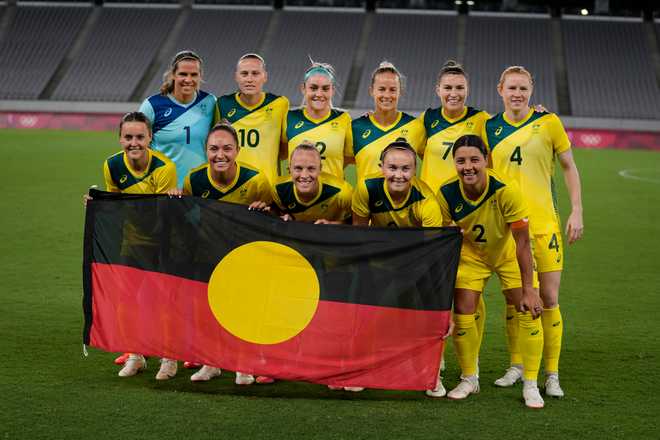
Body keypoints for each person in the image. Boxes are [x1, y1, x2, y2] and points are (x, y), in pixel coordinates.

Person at [484, 66, 584, 397]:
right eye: (511, 87)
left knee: (550, 299)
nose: (517, 93)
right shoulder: (489, 128)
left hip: (544, 226)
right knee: (516, 301)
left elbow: (569, 166)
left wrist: (577, 210)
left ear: (532, 90)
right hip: (507, 229)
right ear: (500, 89)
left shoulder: (549, 122)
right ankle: (517, 366)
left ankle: (551, 374)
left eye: (523, 88)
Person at [437, 134, 545, 408]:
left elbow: (522, 242)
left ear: (486, 160)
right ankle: (469, 378)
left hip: (508, 252)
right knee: (463, 310)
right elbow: (444, 236)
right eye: (461, 161)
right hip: (472, 255)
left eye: (474, 159)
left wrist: (530, 289)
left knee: (527, 308)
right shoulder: (447, 193)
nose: (468, 166)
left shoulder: (506, 190)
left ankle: (531, 384)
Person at [169, 120, 272, 385]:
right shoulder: (195, 178)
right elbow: (186, 216)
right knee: (208, 310)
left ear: (237, 150)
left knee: (244, 310)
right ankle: (211, 363)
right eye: (214, 148)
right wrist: (174, 201)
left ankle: (244, 364)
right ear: (206, 150)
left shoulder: (256, 180)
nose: (220, 155)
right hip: (209, 254)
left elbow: (273, 220)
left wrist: (266, 209)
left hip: (243, 257)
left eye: (227, 148)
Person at [352, 139, 450, 395]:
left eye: (405, 169)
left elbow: (434, 252)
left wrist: (436, 295)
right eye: (393, 167)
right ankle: (363, 369)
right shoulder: (366, 188)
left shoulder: (427, 201)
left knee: (422, 316)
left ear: (414, 170)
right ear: (381, 167)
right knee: (368, 314)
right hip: (379, 258)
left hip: (418, 261)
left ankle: (431, 371)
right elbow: (358, 235)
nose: (398, 174)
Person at [85, 111, 178, 380]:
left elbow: (161, 215)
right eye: (128, 137)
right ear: (120, 139)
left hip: (162, 244)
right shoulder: (112, 165)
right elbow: (115, 204)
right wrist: (97, 206)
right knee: (127, 303)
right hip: (131, 243)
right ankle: (136, 356)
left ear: (150, 138)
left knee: (163, 304)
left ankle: (168, 358)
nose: (134, 142)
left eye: (139, 136)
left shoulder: (164, 168)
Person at [418, 60, 491, 377]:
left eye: (459, 87)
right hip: (432, 219)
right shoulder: (427, 120)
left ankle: (470, 362)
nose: (453, 93)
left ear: (468, 90)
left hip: (467, 218)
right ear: (437, 90)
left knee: (469, 292)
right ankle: (437, 355)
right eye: (447, 87)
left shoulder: (481, 120)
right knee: (432, 290)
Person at [139, 50, 216, 189]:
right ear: (173, 75)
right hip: (163, 189)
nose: (188, 79)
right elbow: (138, 149)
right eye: (183, 74)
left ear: (200, 76)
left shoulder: (210, 102)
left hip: (199, 191)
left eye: (194, 74)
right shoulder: (152, 105)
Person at [216, 53, 289, 184]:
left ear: (265, 77)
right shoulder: (222, 104)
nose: (249, 79)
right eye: (244, 74)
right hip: (232, 189)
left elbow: (285, 149)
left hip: (267, 190)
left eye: (255, 73)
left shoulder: (280, 104)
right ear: (236, 77)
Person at [351, 62, 426, 181]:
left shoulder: (416, 127)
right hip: (367, 199)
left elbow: (432, 163)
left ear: (400, 92)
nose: (387, 95)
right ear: (371, 91)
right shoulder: (355, 128)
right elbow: (338, 164)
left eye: (392, 90)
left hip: (404, 199)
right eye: (381, 89)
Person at [281, 61, 352, 180]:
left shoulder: (343, 119)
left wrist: (332, 172)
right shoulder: (289, 118)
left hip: (333, 195)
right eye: (313, 88)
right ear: (303, 89)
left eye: (325, 89)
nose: (319, 94)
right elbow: (281, 153)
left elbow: (350, 157)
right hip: (297, 195)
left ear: (332, 90)